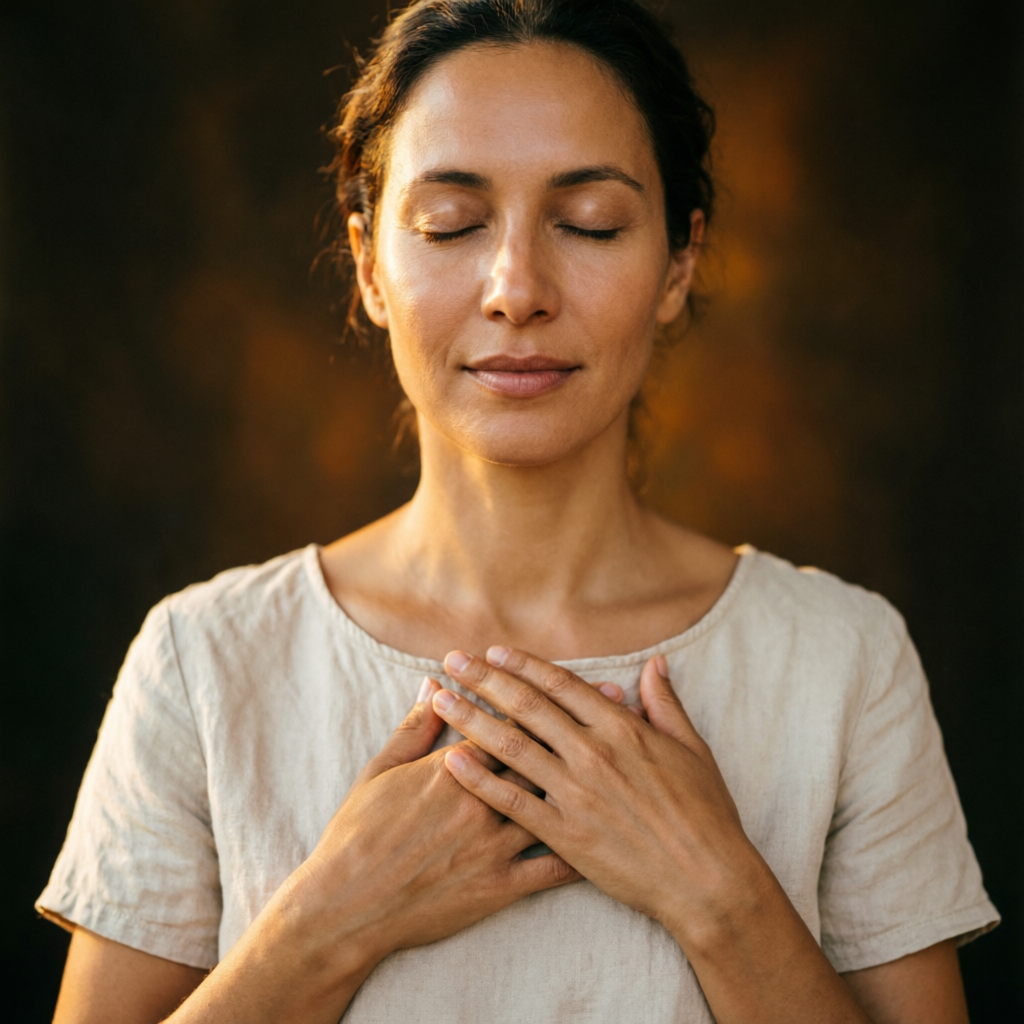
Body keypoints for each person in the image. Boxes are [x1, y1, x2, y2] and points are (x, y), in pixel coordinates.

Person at [40, 1, 998, 1021]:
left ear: (679, 261)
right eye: (452, 223)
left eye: (589, 222)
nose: (517, 289)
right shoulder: (204, 659)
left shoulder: (843, 660)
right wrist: (329, 919)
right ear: (369, 265)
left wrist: (717, 893)